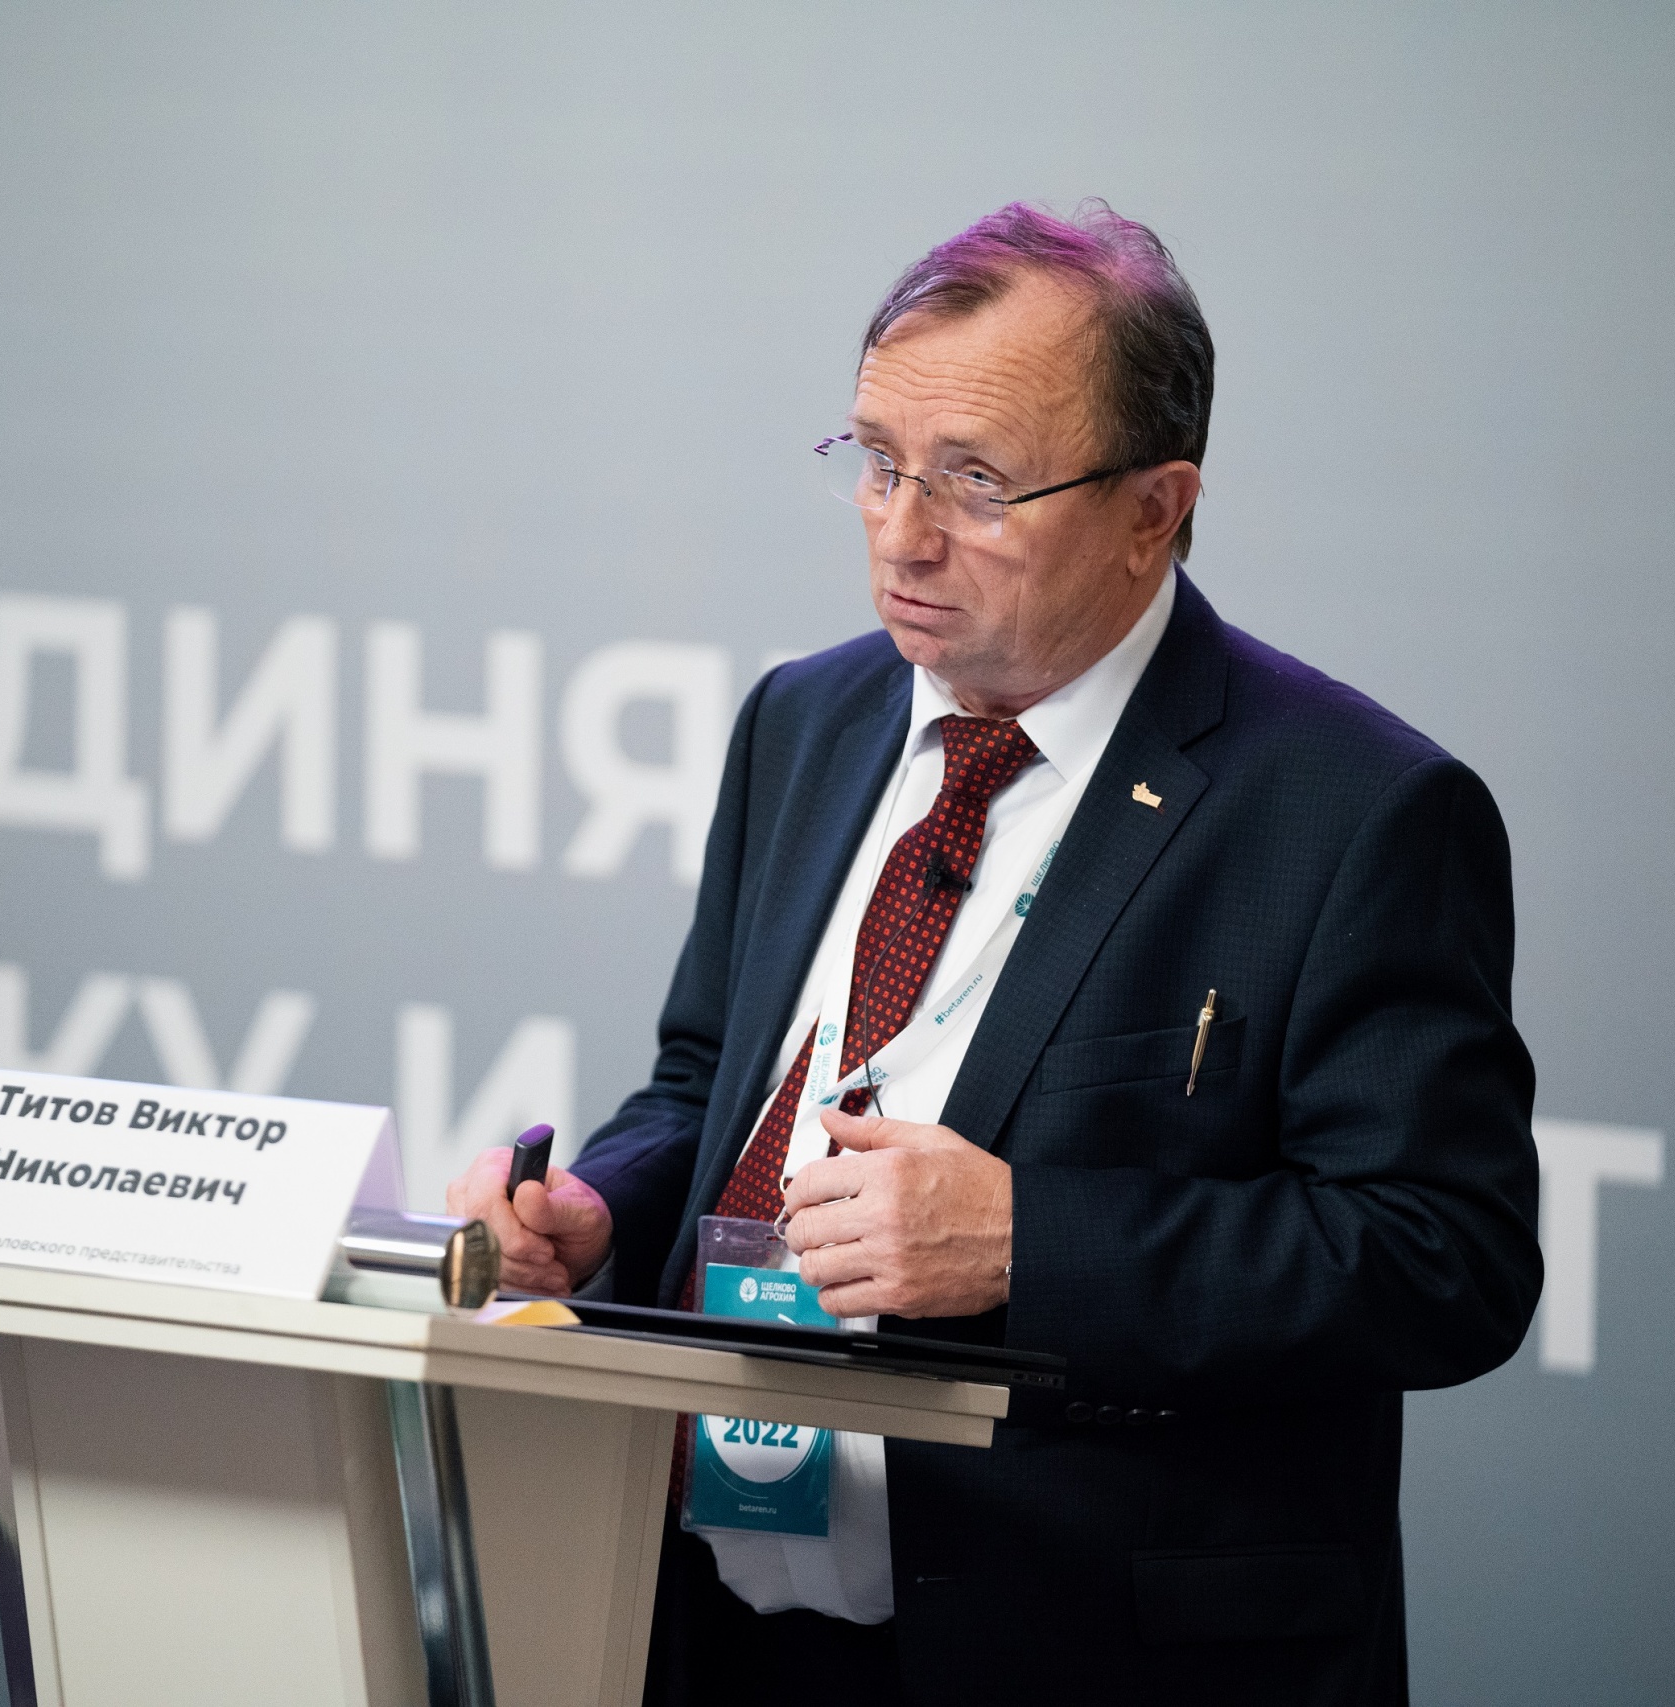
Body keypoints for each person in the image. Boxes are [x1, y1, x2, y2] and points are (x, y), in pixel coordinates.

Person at [447, 200, 1541, 1706]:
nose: (904, 534)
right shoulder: (807, 721)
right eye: (877, 461)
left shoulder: (1352, 811)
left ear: (1154, 508)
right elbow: (712, 1081)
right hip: (714, 1622)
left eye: (976, 482)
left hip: (1089, 1651)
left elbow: (1445, 1259)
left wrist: (1031, 1242)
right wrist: (604, 1210)